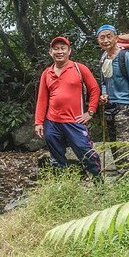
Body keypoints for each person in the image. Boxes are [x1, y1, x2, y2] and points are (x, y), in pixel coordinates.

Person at [34, 36, 101, 176]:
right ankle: (63, 185)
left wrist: (91, 111)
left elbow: (94, 89)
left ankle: (99, 183)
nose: (60, 52)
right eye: (56, 49)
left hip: (74, 121)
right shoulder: (47, 73)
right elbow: (42, 99)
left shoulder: (79, 68)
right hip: (52, 122)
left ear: (69, 51)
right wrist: (39, 122)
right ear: (50, 52)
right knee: (57, 158)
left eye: (63, 48)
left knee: (85, 151)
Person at [95, 24, 129, 142]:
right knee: (114, 147)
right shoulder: (104, 58)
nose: (105, 40)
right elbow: (104, 81)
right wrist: (104, 94)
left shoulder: (127, 56)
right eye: (102, 38)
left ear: (116, 38)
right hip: (109, 108)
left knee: (125, 149)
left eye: (109, 36)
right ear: (98, 40)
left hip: (124, 108)